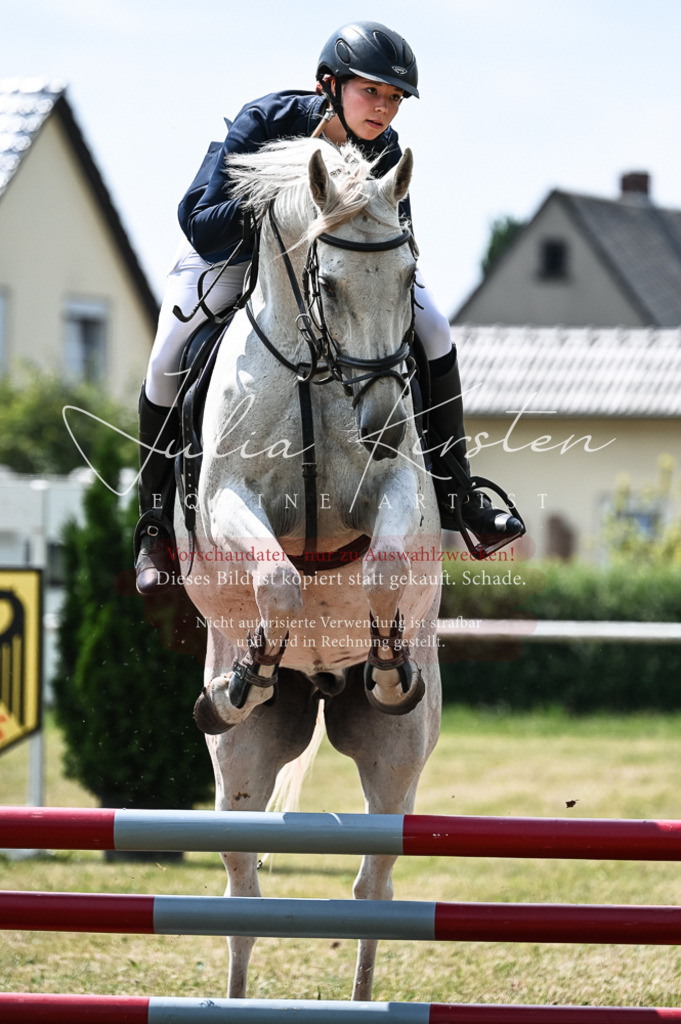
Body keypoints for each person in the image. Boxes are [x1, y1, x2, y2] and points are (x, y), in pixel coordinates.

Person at [134, 21, 523, 594]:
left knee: (434, 328)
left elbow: (396, 229)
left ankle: (460, 495)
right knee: (168, 353)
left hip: (341, 270)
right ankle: (153, 522)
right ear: (329, 84)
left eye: (395, 98)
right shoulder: (263, 121)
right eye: (372, 91)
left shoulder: (384, 149)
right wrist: (283, 202)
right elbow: (199, 221)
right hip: (235, 256)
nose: (384, 108)